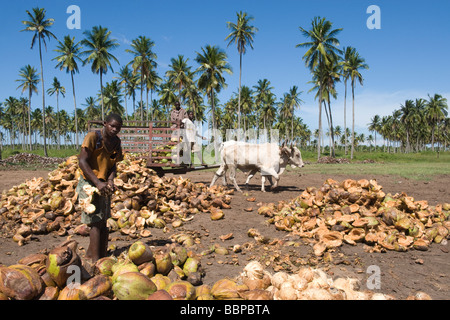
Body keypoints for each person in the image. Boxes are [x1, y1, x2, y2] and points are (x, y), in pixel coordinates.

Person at [76, 113, 124, 266]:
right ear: (105, 123)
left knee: (103, 221)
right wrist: (97, 182)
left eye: (118, 127)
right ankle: (96, 262)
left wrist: (110, 180)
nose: (115, 129)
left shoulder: (116, 142)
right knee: (95, 222)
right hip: (89, 182)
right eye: (112, 125)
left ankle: (96, 254)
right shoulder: (93, 137)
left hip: (103, 184)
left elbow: (113, 164)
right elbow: (82, 161)